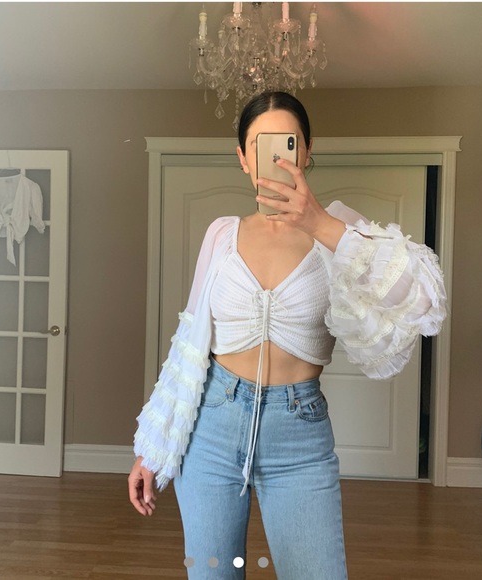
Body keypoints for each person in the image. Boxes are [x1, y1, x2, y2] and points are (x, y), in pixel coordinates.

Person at [128, 91, 447, 579]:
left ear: (306, 149)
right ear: (243, 158)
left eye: (287, 143)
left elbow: (423, 298)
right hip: (212, 427)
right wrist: (151, 450)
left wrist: (320, 223)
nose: (275, 159)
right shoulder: (221, 234)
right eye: (260, 146)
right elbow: (189, 343)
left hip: (298, 437)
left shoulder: (339, 229)